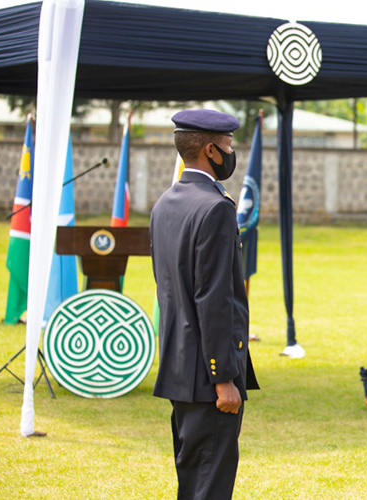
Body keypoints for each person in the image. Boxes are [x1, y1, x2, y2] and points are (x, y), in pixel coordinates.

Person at [150, 109, 259, 500]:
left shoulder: (166, 202)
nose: (232, 153)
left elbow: (168, 287)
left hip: (180, 367)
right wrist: (223, 376)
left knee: (193, 479)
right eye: (228, 146)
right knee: (210, 485)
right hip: (207, 379)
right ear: (211, 150)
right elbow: (214, 299)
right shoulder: (215, 207)